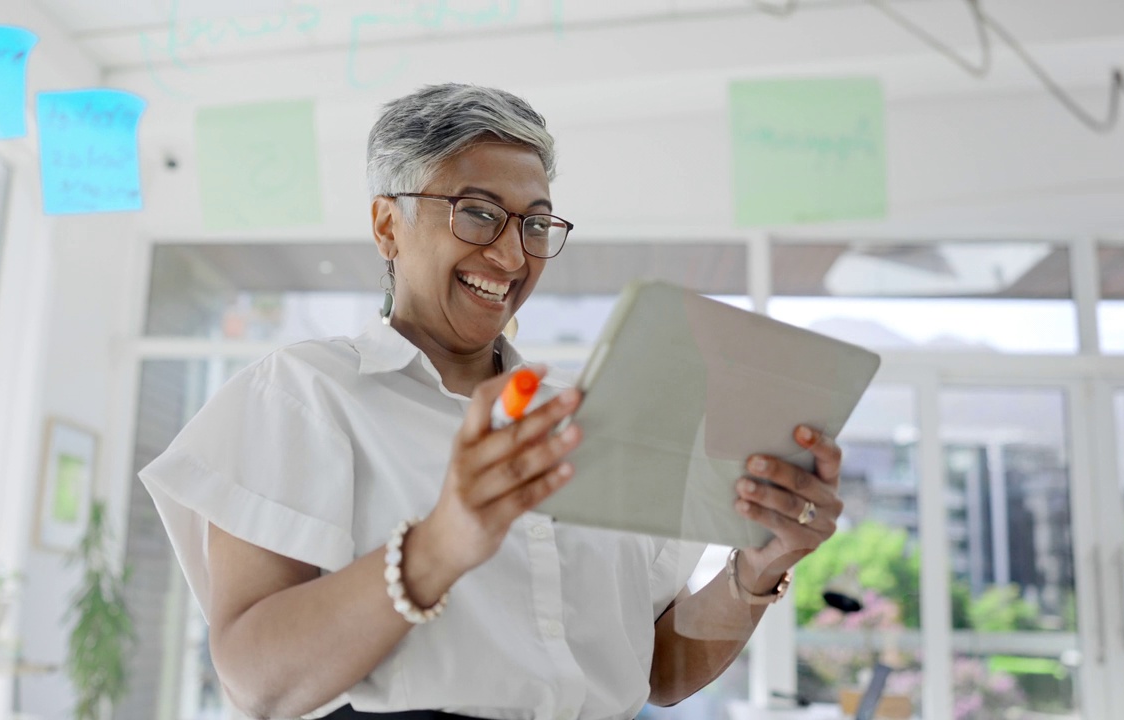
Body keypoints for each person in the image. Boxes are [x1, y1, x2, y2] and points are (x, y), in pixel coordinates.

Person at [138, 83, 845, 720]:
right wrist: (443, 541)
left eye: (535, 224)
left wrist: (759, 565)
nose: (512, 258)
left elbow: (660, 671)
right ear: (388, 224)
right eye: (477, 214)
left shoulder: (591, 415)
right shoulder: (304, 395)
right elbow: (257, 682)